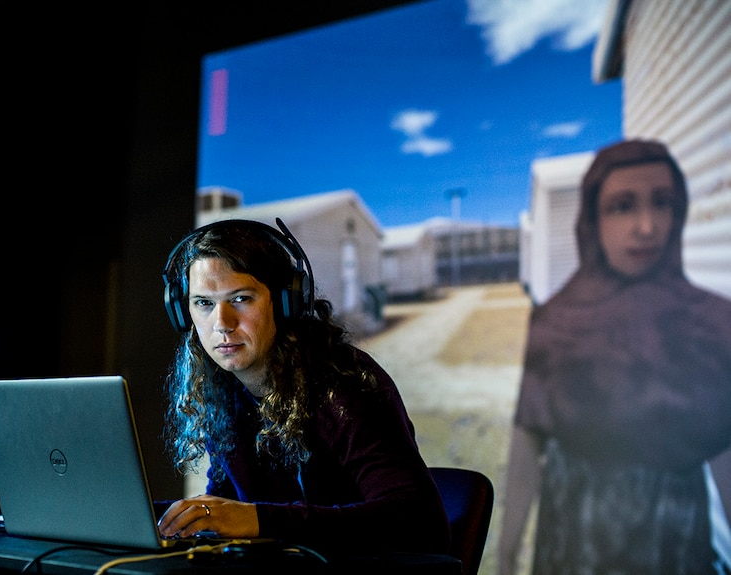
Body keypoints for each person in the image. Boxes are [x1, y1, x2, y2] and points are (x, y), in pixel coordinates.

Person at [497, 139, 731, 575]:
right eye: (623, 206)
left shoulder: (713, 322)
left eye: (661, 202)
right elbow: (528, 439)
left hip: (675, 546)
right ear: (593, 220)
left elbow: (725, 448)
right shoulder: (556, 323)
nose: (646, 226)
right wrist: (506, 555)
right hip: (572, 541)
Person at [156, 218, 450, 556]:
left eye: (240, 298)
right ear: (183, 312)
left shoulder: (344, 385)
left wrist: (259, 519)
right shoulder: (222, 388)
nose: (221, 324)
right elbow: (230, 507)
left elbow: (420, 521)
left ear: (286, 302)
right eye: (203, 303)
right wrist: (167, 517)